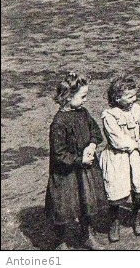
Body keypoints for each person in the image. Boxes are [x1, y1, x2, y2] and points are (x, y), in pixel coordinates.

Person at [46, 72, 108, 249]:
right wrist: (79, 159)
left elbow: (96, 132)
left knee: (86, 201)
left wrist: (92, 146)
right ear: (67, 96)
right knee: (64, 207)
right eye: (83, 96)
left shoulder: (83, 113)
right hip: (66, 172)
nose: (86, 100)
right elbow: (59, 154)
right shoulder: (59, 123)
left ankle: (87, 235)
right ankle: (61, 241)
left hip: (85, 170)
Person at [100, 76, 140, 242]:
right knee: (116, 191)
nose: (134, 99)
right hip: (117, 158)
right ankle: (114, 221)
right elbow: (116, 139)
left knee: (139, 188)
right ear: (117, 98)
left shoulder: (137, 110)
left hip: (135, 158)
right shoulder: (109, 115)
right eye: (130, 97)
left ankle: (138, 215)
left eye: (135, 95)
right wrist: (134, 145)